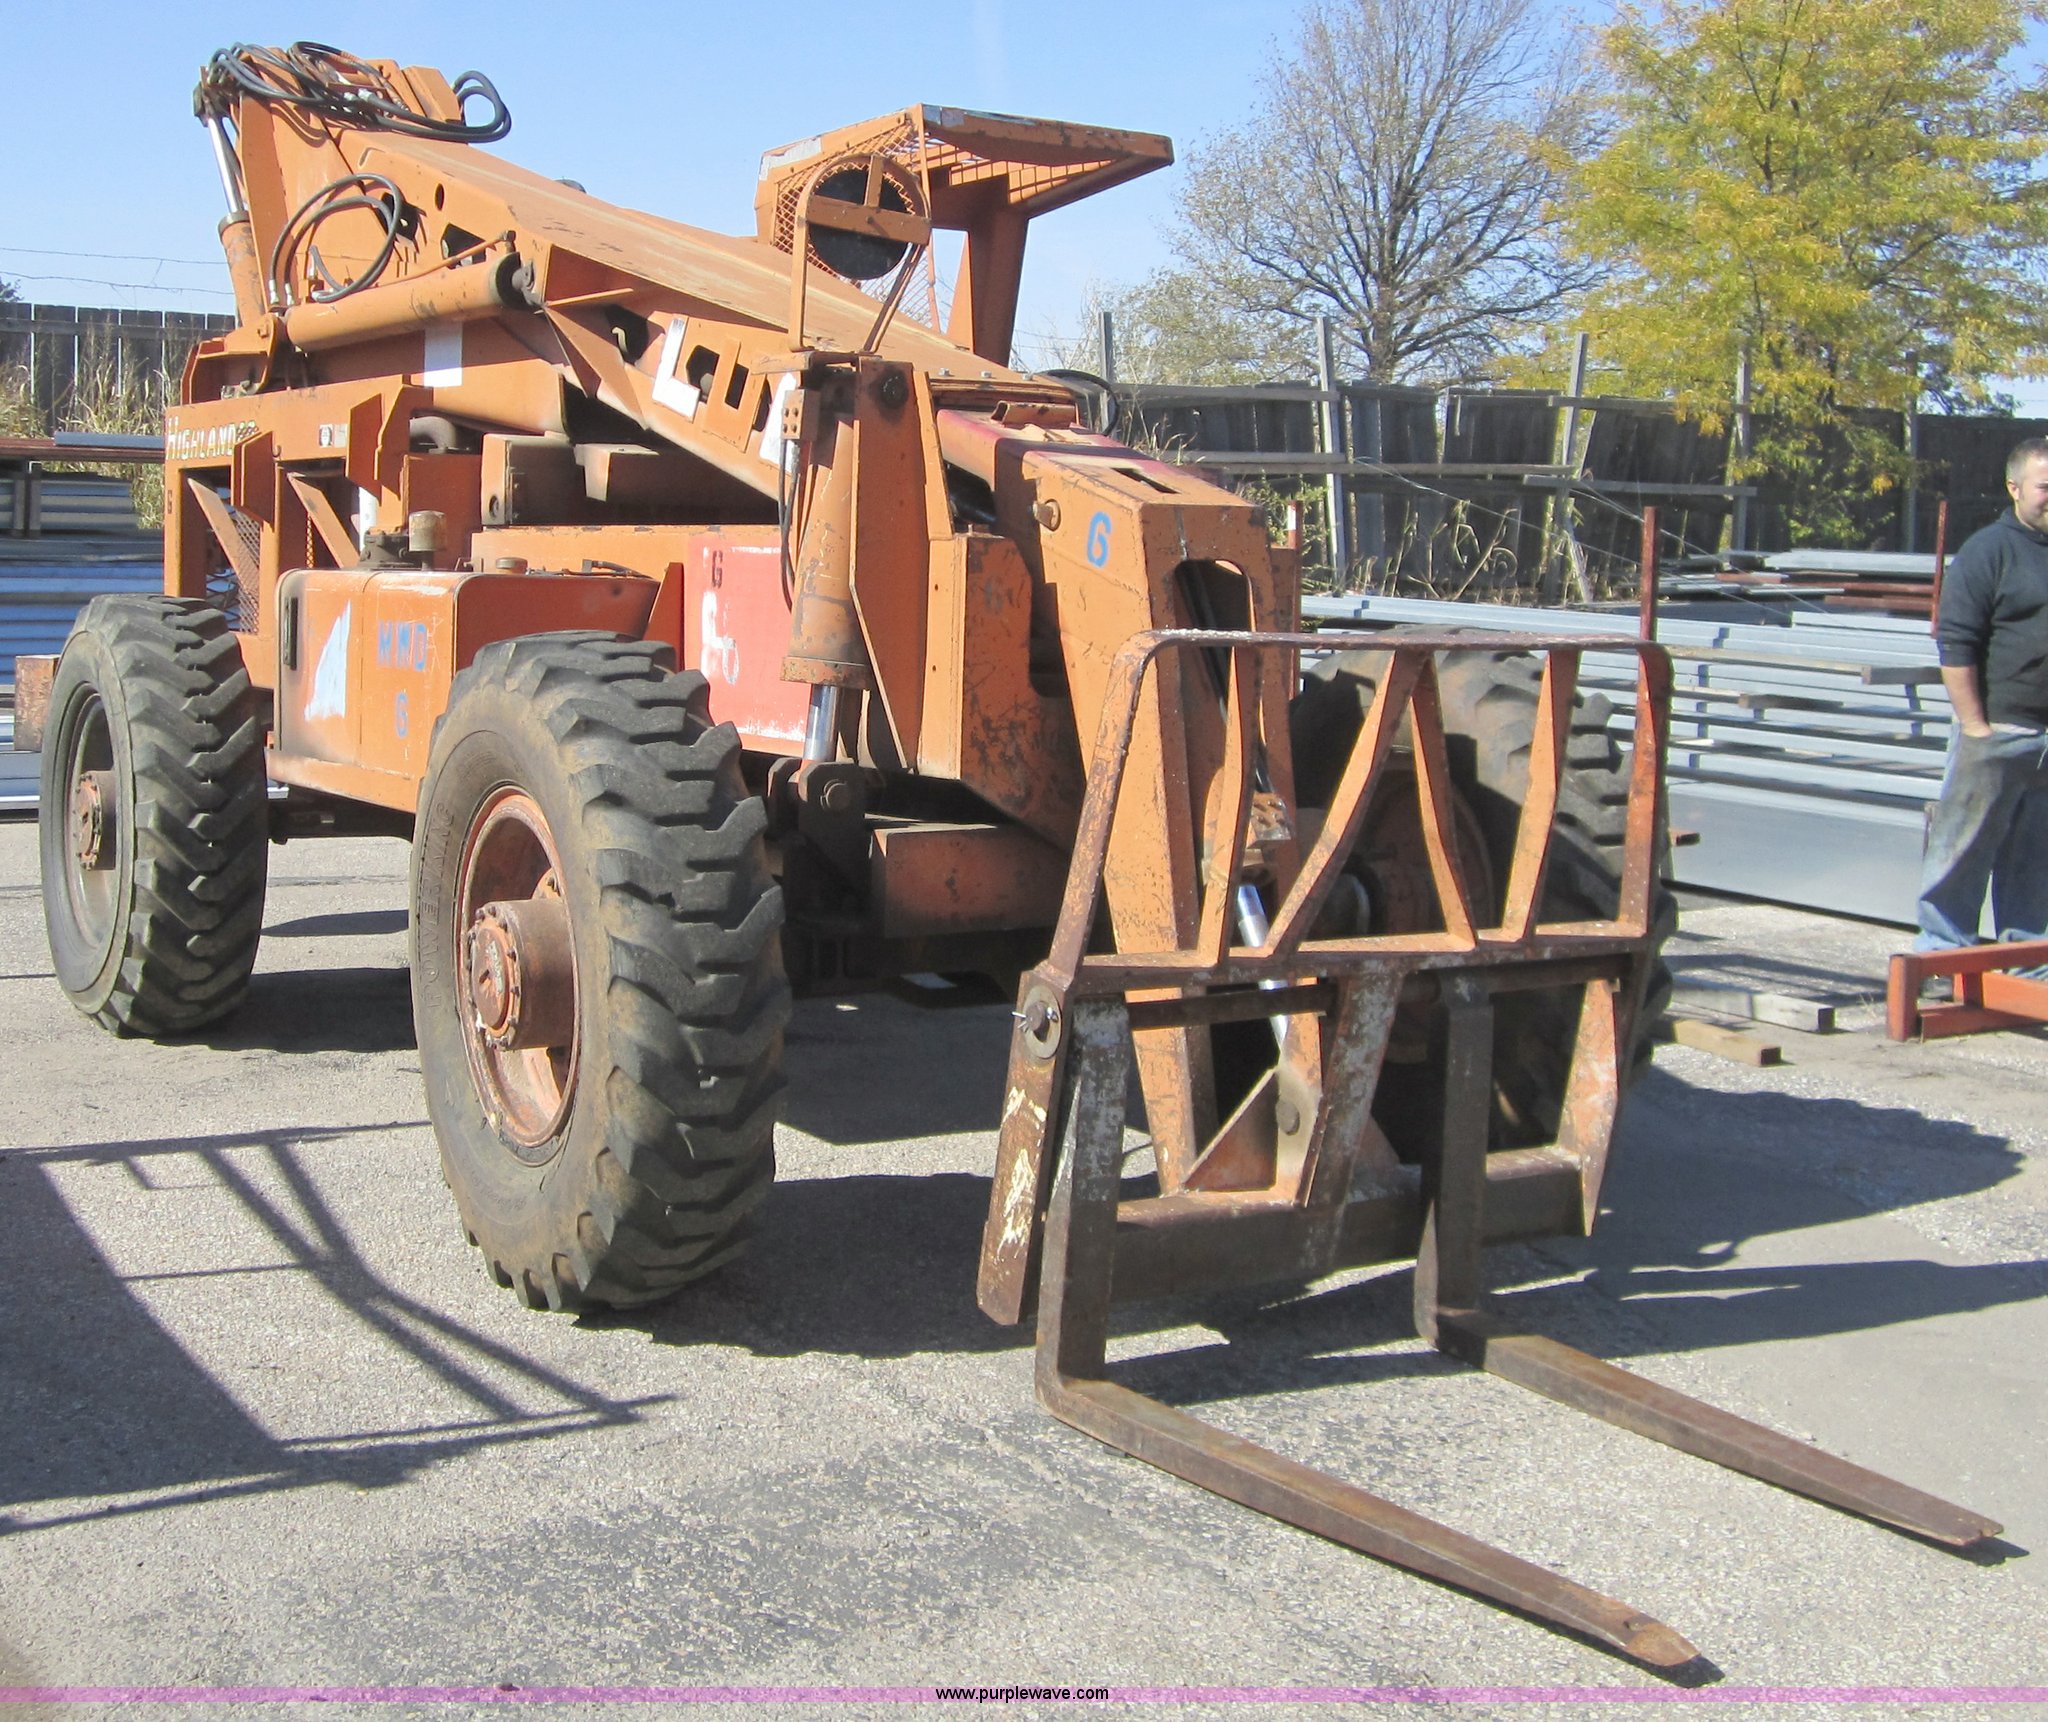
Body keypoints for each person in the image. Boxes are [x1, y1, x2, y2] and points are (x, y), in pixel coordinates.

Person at [1916, 436, 2048, 950]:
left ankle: (2029, 964)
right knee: (1962, 853)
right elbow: (1956, 643)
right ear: (2014, 488)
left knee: (2035, 860)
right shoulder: (1990, 550)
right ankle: (1941, 954)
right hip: (1998, 730)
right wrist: (1975, 727)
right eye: (2046, 486)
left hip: (2045, 739)